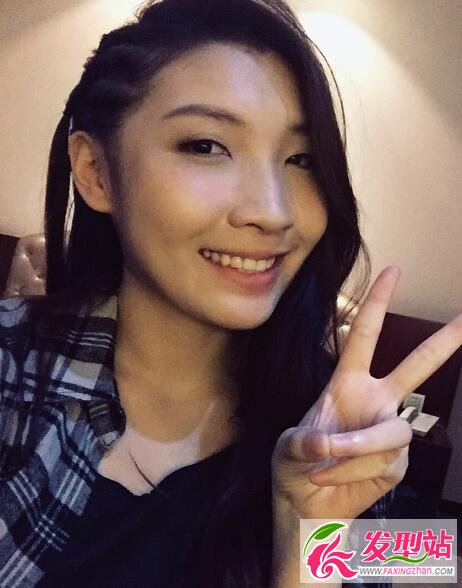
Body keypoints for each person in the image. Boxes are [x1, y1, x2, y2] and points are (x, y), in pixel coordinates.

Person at [1, 0, 461, 586]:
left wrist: (307, 536)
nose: (272, 212)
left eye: (301, 158)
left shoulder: (347, 429)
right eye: (206, 146)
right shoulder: (13, 372)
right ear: (95, 170)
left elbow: (426, 558)